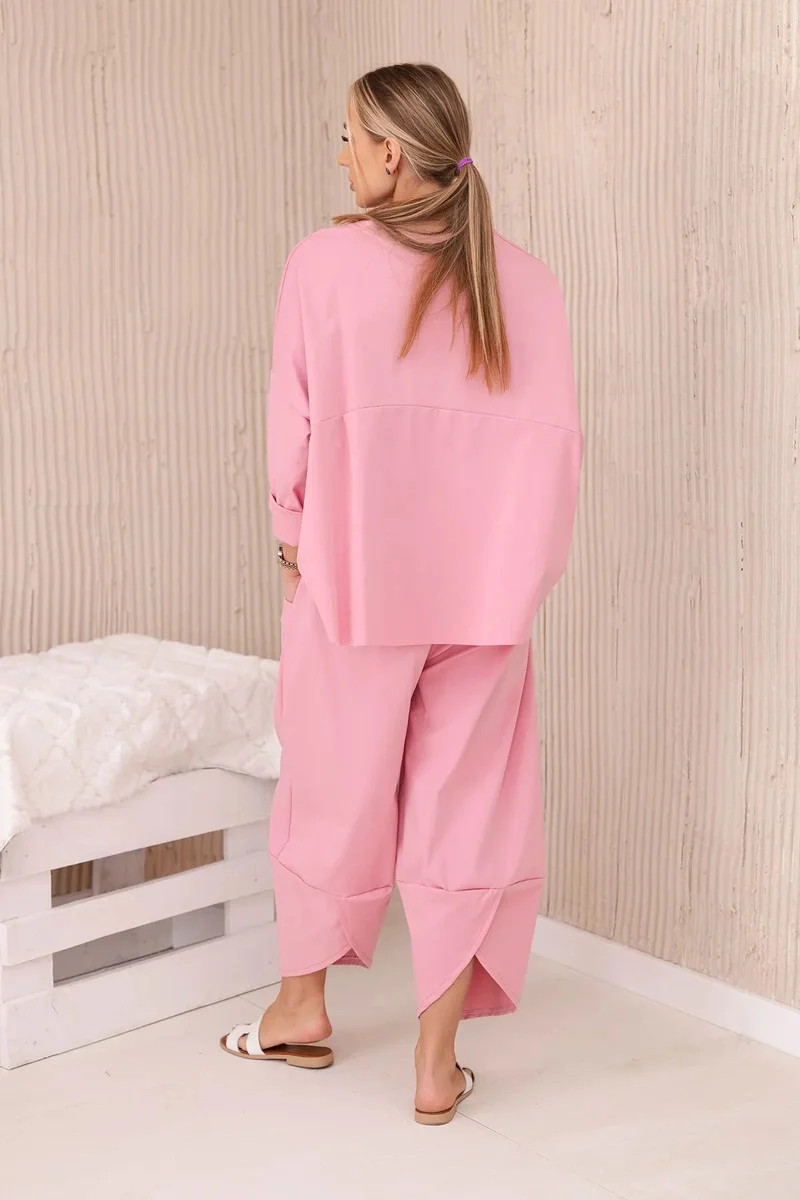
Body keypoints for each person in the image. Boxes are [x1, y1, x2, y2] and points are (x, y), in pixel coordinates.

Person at [221, 62, 583, 1126]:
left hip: (354, 582)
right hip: (487, 597)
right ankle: (435, 1067)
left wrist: (294, 540)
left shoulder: (323, 264)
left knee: (332, 788)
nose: (341, 157)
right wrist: (517, 581)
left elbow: (292, 423)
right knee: (466, 812)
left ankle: (301, 1010)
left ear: (390, 153)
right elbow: (555, 451)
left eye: (348, 137)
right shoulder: (530, 281)